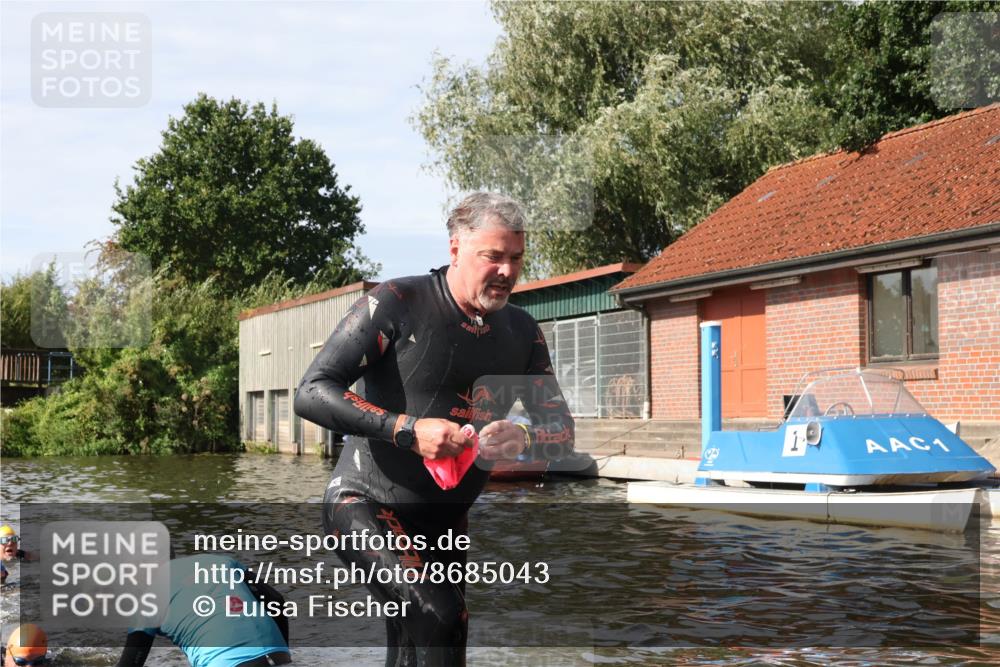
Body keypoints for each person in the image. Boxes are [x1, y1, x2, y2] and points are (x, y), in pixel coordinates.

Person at [294, 191, 575, 666]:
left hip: (445, 521)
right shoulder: (396, 303)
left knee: (429, 636)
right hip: (364, 503)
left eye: (516, 258)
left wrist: (523, 437)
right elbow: (313, 390)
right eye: (493, 256)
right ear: (455, 249)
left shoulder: (523, 332)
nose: (507, 271)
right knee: (438, 615)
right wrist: (407, 430)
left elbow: (560, 428)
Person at [116, 554, 291, 667]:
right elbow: (276, 600)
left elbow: (130, 663)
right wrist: (283, 657)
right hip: (270, 653)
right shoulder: (220, 561)